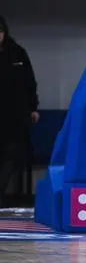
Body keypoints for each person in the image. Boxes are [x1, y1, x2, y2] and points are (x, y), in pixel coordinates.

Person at [0, 16, 39, 207]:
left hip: (15, 114)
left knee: (13, 153)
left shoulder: (17, 53)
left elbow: (29, 82)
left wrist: (33, 107)